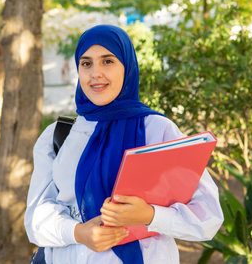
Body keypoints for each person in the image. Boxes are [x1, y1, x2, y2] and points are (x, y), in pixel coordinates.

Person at [24, 25, 223, 264]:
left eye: (107, 61)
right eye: (86, 63)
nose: (95, 73)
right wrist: (78, 233)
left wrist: (149, 215)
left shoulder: (158, 130)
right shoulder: (58, 135)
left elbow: (208, 217)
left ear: (126, 67)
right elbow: (35, 219)